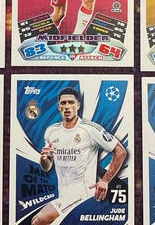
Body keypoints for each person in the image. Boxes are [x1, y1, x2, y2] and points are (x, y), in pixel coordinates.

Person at [32, 87, 127, 225]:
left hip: (83, 194)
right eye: (63, 103)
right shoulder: (51, 131)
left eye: (71, 102)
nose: (67, 106)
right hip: (64, 195)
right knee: (38, 220)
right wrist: (43, 159)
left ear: (78, 105)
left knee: (39, 220)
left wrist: (105, 181)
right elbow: (47, 166)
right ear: (58, 106)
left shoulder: (89, 129)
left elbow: (120, 151)